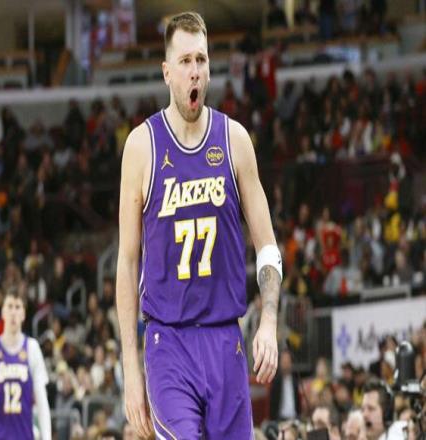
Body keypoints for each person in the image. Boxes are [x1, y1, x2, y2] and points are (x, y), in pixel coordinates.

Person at [116, 11, 282, 439]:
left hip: (226, 339)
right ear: (167, 72)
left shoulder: (235, 140)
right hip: (168, 343)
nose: (195, 71)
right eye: (185, 61)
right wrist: (130, 367)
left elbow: (267, 247)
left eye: (202, 60)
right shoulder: (142, 146)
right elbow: (127, 262)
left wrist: (268, 320)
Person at [0, 289, 51, 440]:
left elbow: (42, 401)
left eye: (17, 307)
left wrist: (47, 437)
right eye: (9, 306)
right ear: (3, 312)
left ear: (23, 314)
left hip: (24, 436)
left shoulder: (32, 348)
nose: (13, 312)